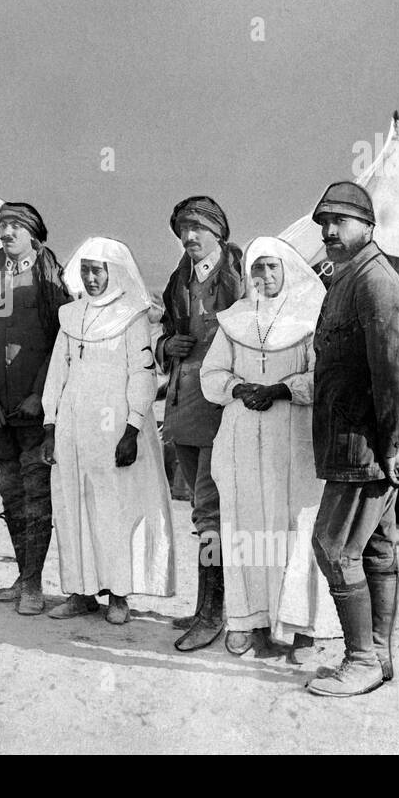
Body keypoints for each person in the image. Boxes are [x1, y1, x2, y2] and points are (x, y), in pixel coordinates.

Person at [200, 236, 339, 661]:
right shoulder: (235, 320)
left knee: (294, 529)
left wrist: (280, 389)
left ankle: (301, 630)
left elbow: (323, 377)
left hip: (292, 439)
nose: (264, 276)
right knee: (247, 530)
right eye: (257, 269)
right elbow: (211, 375)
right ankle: (250, 622)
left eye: (272, 268)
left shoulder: (309, 319)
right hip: (242, 437)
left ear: (287, 271)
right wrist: (239, 386)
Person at [305, 181, 399, 697]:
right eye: (323, 222)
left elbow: (394, 376)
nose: (328, 230)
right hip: (359, 441)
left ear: (369, 227)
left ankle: (362, 659)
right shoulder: (347, 278)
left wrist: (390, 447)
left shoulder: (376, 283)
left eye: (340, 221)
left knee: (332, 547)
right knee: (374, 547)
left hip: (367, 445)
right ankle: (380, 656)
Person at [41, 238, 177, 625]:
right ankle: (81, 592)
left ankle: (118, 594)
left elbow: (143, 375)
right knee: (74, 508)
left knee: (113, 511)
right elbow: (58, 373)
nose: (91, 277)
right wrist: (50, 425)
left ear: (113, 272)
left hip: (115, 430)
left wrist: (132, 429)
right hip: (72, 428)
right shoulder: (71, 315)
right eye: (85, 270)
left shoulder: (133, 316)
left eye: (97, 270)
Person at [0, 201, 71, 615]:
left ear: (32, 233)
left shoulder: (48, 276)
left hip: (34, 408)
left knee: (36, 494)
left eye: (14, 226)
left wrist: (39, 397)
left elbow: (60, 343)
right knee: (10, 491)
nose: (6, 233)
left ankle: (33, 584)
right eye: (2, 225)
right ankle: (24, 574)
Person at [155, 196, 243, 652]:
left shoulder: (237, 276)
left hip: (222, 413)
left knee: (212, 514)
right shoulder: (179, 279)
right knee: (200, 513)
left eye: (196, 228)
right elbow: (166, 331)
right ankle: (206, 604)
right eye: (182, 230)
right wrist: (167, 344)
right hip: (183, 409)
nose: (188, 237)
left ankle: (214, 613)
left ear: (217, 231)